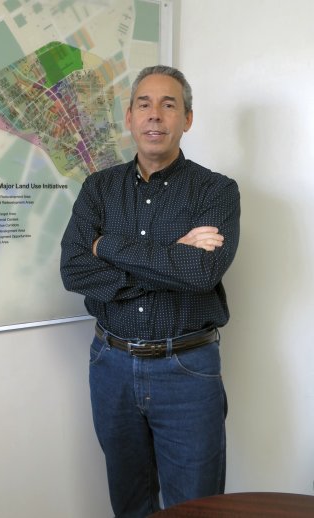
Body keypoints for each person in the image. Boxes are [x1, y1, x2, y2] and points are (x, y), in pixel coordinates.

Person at [60, 65, 240, 517]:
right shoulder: (98, 189)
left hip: (187, 370)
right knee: (130, 503)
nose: (155, 115)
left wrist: (109, 247)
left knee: (196, 506)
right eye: (144, 104)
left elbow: (202, 273)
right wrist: (170, 255)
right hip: (111, 366)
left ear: (188, 119)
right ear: (129, 117)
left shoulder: (216, 191)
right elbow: (75, 270)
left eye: (169, 104)